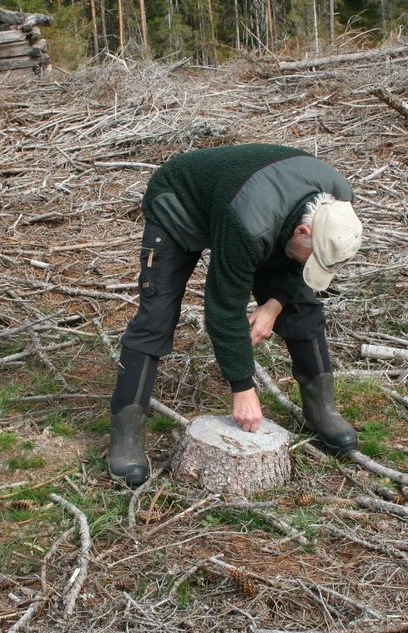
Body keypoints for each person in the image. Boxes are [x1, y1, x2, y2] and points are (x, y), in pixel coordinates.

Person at [107, 144, 364, 488]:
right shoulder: (248, 224)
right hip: (180, 205)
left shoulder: (337, 203)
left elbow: (296, 268)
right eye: (311, 257)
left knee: (302, 307)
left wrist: (273, 306)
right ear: (304, 232)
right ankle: (126, 433)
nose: (309, 265)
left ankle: (322, 410)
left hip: (252, 208)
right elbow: (223, 306)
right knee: (157, 316)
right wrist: (243, 388)